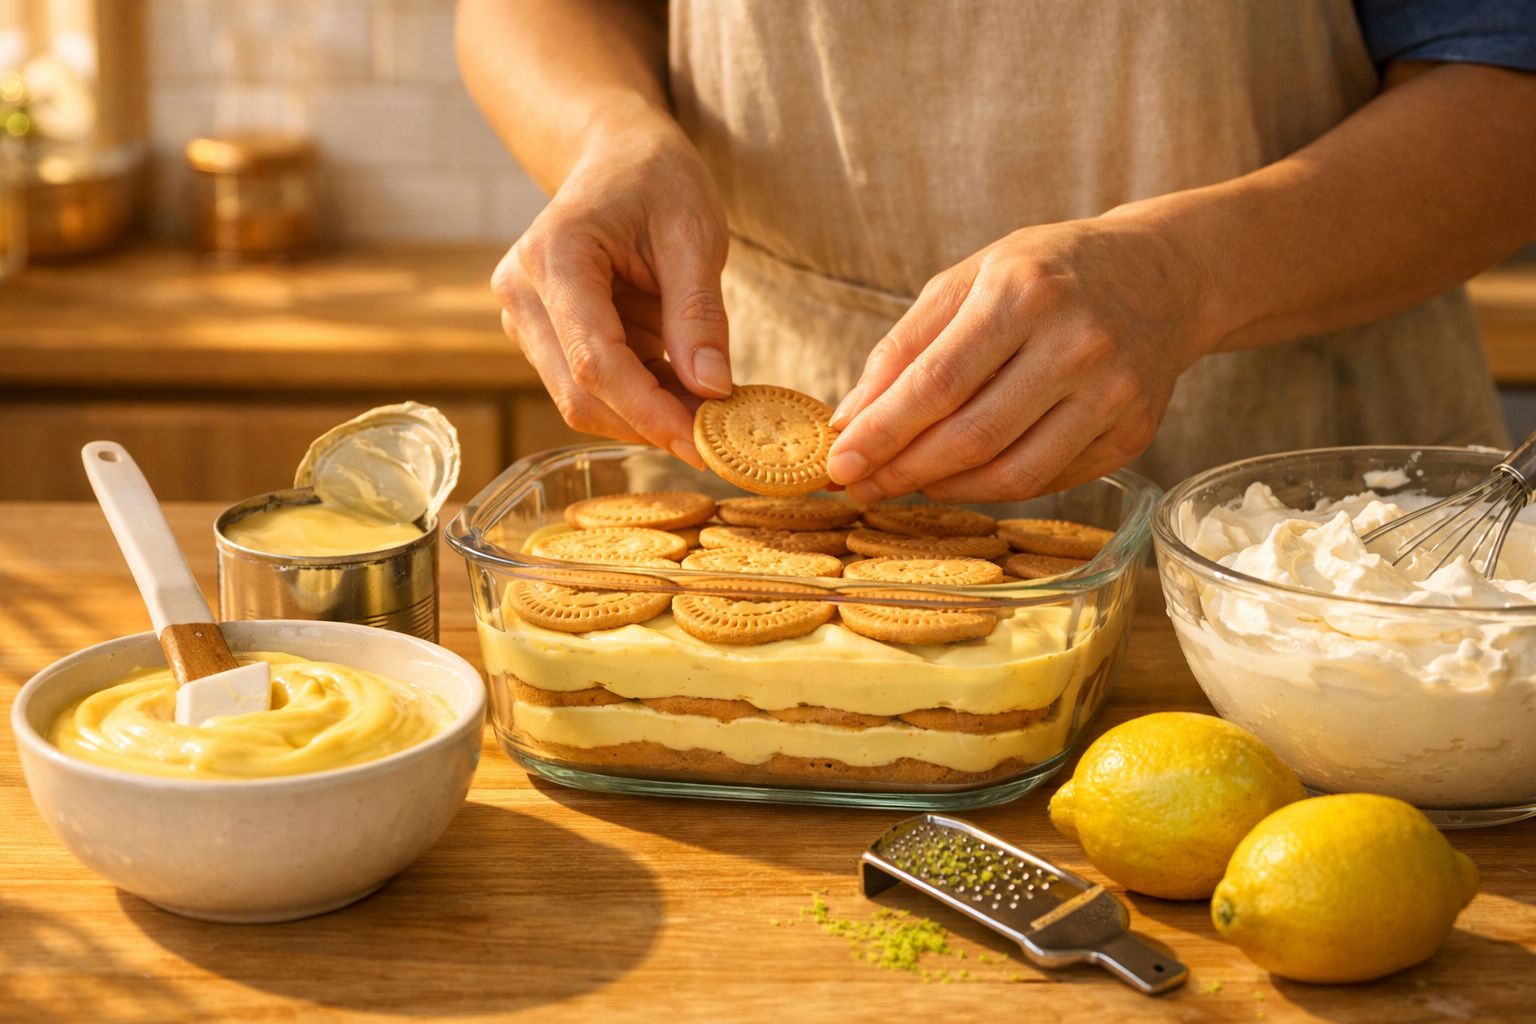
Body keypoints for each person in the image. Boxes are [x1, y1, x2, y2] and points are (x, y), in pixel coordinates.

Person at [458, 0, 1536, 502]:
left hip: (1298, 511)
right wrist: (610, 132)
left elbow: (1508, 92)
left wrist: (1188, 277)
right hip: (749, 460)